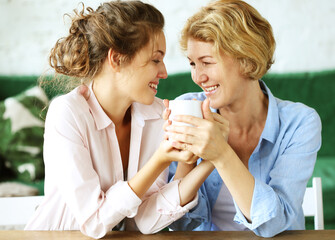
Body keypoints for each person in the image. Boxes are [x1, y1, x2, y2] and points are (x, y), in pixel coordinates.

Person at [24, 1, 208, 238]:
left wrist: (203, 160)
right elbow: (93, 223)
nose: (164, 72)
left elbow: (147, 221)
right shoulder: (67, 113)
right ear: (116, 59)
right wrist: (161, 160)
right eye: (155, 59)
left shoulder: (155, 115)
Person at [164, 0, 322, 237]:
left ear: (247, 60)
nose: (198, 76)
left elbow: (273, 224)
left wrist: (221, 154)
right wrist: (187, 159)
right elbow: (179, 224)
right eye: (193, 64)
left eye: (207, 62)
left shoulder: (300, 123)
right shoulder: (189, 107)